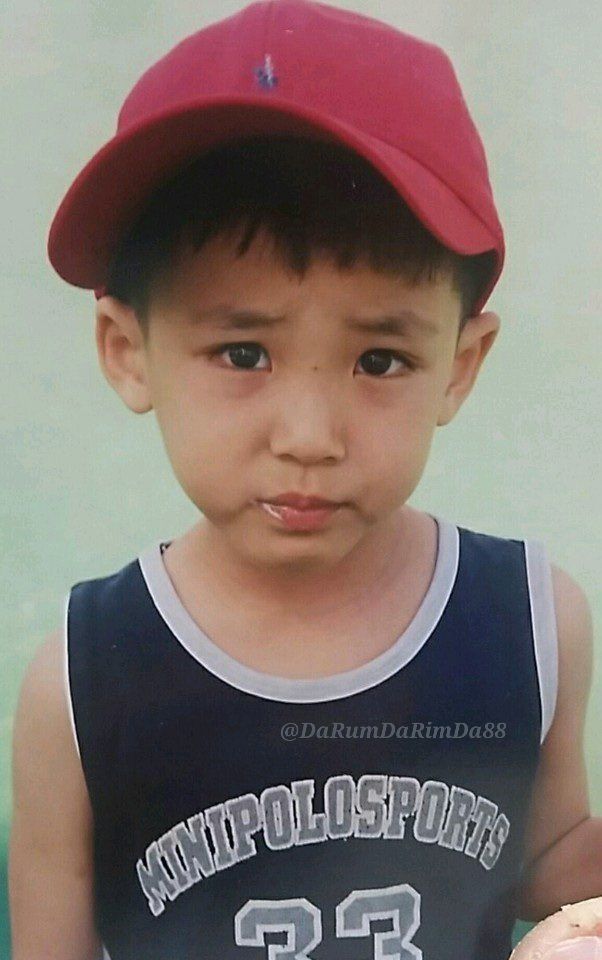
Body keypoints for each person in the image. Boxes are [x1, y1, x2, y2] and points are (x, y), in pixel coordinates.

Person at [8, 1, 600, 958]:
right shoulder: (82, 683)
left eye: (379, 361)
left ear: (460, 363)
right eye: (243, 351)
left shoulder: (531, 623)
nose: (311, 436)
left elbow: (541, 860)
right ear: (128, 352)